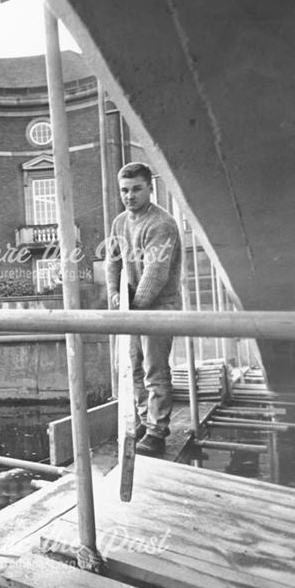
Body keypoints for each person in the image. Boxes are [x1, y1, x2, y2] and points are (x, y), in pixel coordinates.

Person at [105, 162, 183, 456]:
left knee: (154, 370)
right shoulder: (120, 222)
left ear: (150, 188)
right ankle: (141, 421)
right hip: (132, 309)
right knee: (132, 366)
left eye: (136, 189)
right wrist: (114, 292)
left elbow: (156, 274)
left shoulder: (161, 223)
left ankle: (157, 431)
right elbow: (113, 260)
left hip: (159, 308)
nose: (130, 196)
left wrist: (132, 310)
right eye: (124, 190)